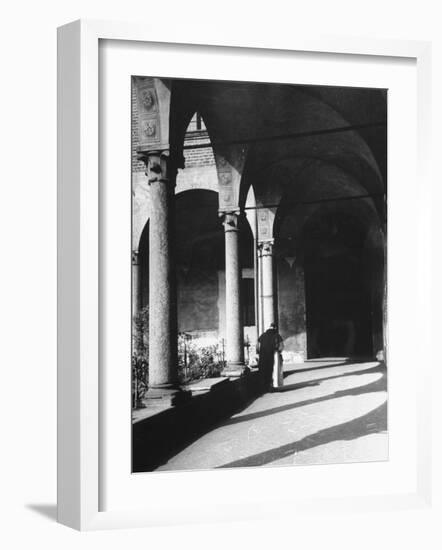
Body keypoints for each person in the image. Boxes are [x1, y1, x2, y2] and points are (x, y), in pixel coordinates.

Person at [257, 323, 283, 392]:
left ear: (269, 327)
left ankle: (263, 388)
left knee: (263, 370)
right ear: (275, 328)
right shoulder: (277, 335)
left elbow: (257, 347)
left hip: (263, 356)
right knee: (273, 370)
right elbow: (281, 346)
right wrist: (279, 352)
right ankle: (271, 387)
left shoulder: (262, 335)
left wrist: (259, 353)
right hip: (273, 355)